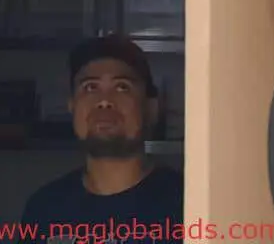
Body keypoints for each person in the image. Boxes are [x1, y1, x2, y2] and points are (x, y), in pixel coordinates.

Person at [19, 35, 184, 244]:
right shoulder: (44, 208)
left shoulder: (186, 204)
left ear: (151, 107)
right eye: (90, 87)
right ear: (72, 106)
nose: (104, 101)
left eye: (122, 87)